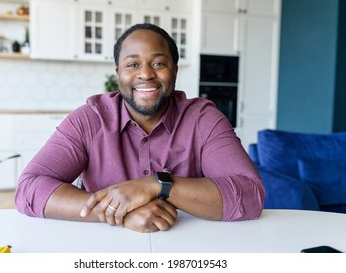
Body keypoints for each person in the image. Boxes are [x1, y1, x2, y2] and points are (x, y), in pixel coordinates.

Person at [15, 23, 265, 233]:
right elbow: (30, 188)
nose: (145, 74)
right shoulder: (89, 119)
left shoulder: (203, 119)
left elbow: (250, 195)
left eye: (158, 64)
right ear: (118, 73)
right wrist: (121, 213)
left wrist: (158, 185)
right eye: (132, 65)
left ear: (174, 71)